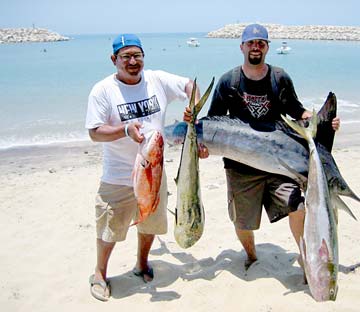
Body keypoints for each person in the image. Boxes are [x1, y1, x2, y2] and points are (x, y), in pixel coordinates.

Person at [185, 23, 340, 272]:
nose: (255, 47)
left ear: (267, 47)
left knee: (297, 205)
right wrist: (201, 148)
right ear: (242, 47)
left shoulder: (279, 77)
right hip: (240, 167)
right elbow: (212, 124)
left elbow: (296, 111)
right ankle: (251, 255)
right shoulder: (228, 81)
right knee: (242, 222)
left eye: (261, 43)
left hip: (279, 162)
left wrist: (322, 122)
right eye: (251, 43)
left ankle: (303, 254)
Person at [85, 33, 199, 301]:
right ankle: (100, 274)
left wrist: (192, 106)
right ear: (114, 59)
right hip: (118, 175)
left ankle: (142, 264)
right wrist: (125, 129)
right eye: (126, 57)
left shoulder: (156, 79)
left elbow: (189, 85)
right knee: (109, 227)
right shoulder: (103, 90)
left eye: (137, 55)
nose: (133, 61)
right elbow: (95, 132)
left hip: (154, 169)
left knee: (149, 221)